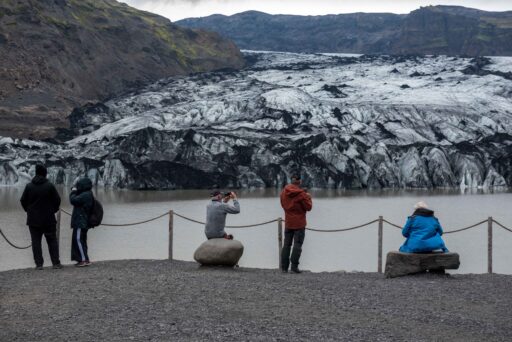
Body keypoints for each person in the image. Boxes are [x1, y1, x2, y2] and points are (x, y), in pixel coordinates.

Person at [20, 164, 62, 270]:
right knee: (52, 240)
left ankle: (39, 265)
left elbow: (23, 200)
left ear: (36, 173)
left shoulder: (29, 186)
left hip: (33, 219)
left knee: (36, 242)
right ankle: (55, 263)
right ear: (45, 173)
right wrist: (54, 210)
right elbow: (57, 200)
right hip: (48, 219)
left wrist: (28, 210)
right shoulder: (49, 186)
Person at [280, 175, 312, 273]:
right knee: (297, 245)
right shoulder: (302, 194)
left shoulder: (283, 192)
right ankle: (294, 267)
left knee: (286, 245)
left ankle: (284, 267)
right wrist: (309, 197)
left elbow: (283, 204)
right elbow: (308, 207)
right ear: (299, 181)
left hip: (288, 222)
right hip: (299, 223)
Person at [69, 177, 94, 267]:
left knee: (78, 239)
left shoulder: (85, 195)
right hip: (83, 221)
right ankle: (85, 259)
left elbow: (73, 200)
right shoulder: (88, 193)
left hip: (80, 221)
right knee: (82, 240)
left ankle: (83, 260)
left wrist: (73, 191)